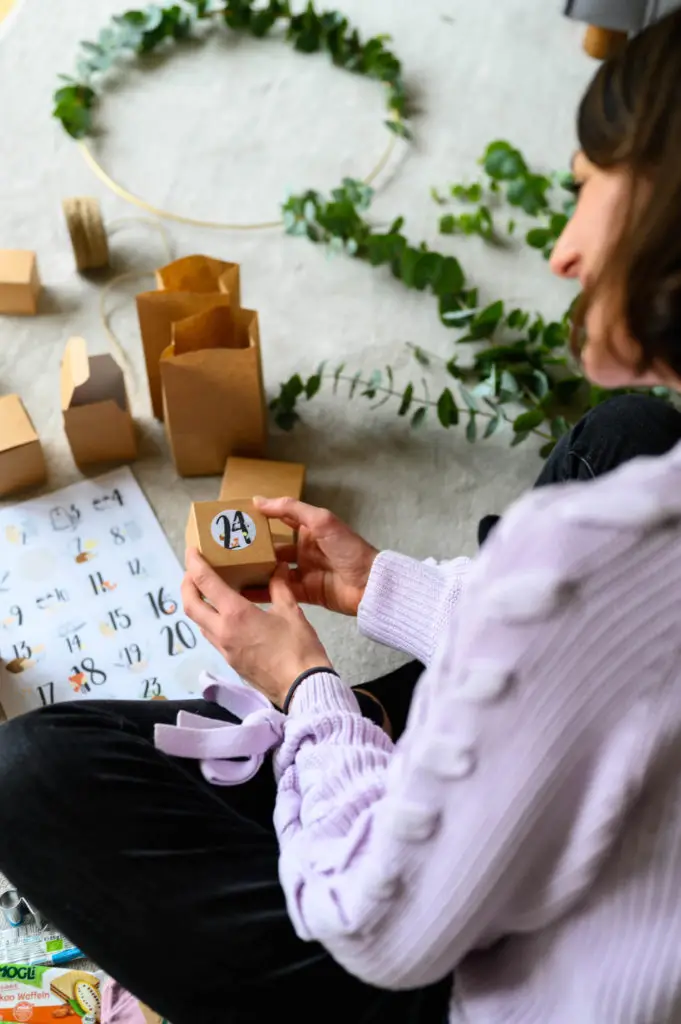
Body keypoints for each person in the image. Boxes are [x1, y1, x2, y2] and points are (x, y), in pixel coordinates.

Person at [2, 12, 681, 1024]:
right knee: (628, 430)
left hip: (486, 975)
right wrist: (381, 587)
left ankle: (374, 733)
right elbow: (600, 651)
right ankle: (400, 722)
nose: (561, 251)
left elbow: (380, 922)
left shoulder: (604, 557)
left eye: (586, 190)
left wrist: (306, 684)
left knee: (28, 778)